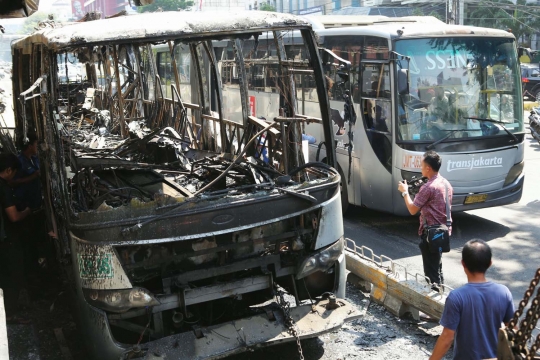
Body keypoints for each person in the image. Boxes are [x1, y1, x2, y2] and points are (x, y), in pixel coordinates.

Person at [430, 240, 515, 360]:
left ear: (463, 264)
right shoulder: (503, 292)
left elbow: (447, 337)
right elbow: (514, 330)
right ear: (490, 263)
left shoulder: (456, 296)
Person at [397, 150, 453, 289]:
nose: (420, 169)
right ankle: (441, 295)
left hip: (430, 234)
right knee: (437, 269)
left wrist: (404, 192)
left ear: (428, 168)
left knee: (431, 274)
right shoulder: (446, 183)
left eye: (421, 166)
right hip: (443, 232)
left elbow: (412, 209)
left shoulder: (428, 187)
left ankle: (435, 305)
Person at [0, 153, 32, 315]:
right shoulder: (3, 187)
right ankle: (10, 313)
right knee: (13, 274)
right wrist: (26, 211)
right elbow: (13, 217)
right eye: (13, 173)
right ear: (8, 170)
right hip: (6, 239)